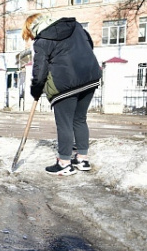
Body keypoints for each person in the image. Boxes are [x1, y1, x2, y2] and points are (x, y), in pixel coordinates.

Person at [22, 14, 102, 176]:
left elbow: (40, 70)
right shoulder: (76, 26)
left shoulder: (42, 41)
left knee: (64, 123)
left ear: (31, 28)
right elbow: (89, 45)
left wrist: (36, 90)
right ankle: (82, 159)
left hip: (65, 84)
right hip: (90, 77)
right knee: (79, 119)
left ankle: (64, 163)